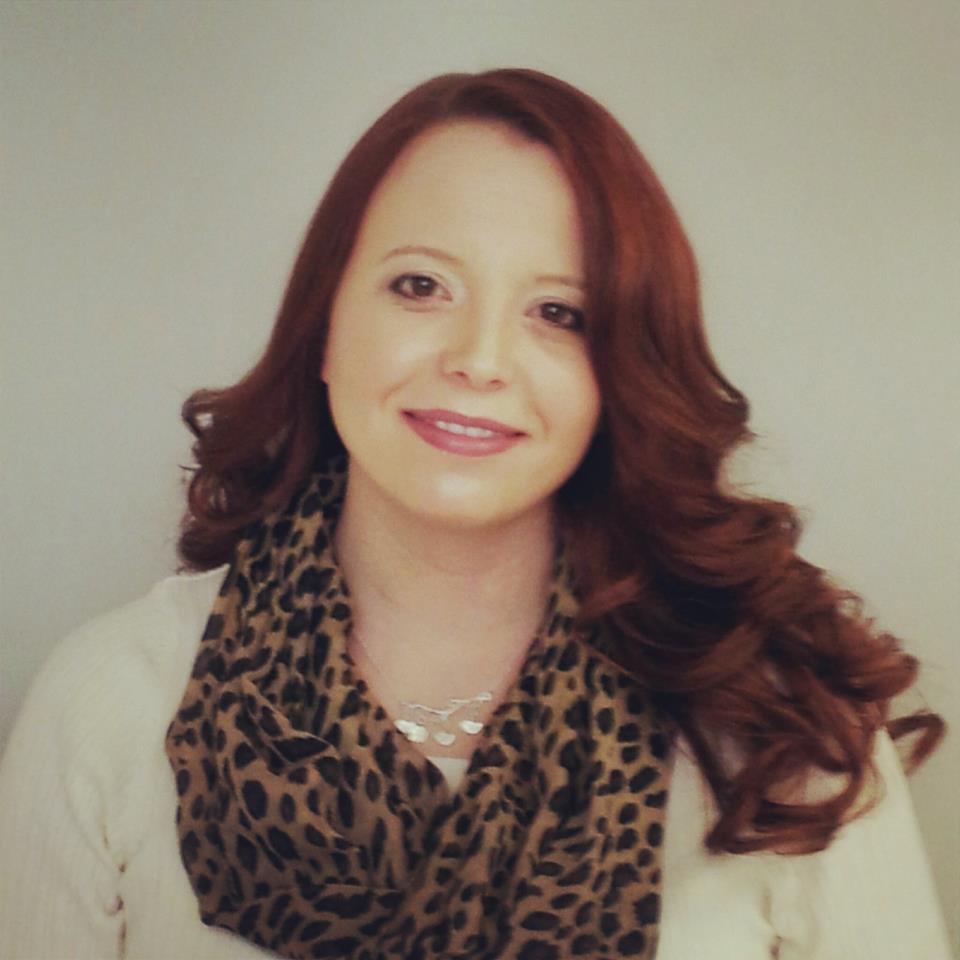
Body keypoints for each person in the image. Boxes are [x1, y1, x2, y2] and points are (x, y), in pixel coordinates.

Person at [0, 68, 951, 960]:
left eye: (559, 313)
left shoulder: (783, 726)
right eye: (421, 286)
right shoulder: (113, 701)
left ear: (620, 372)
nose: (480, 359)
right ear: (325, 326)